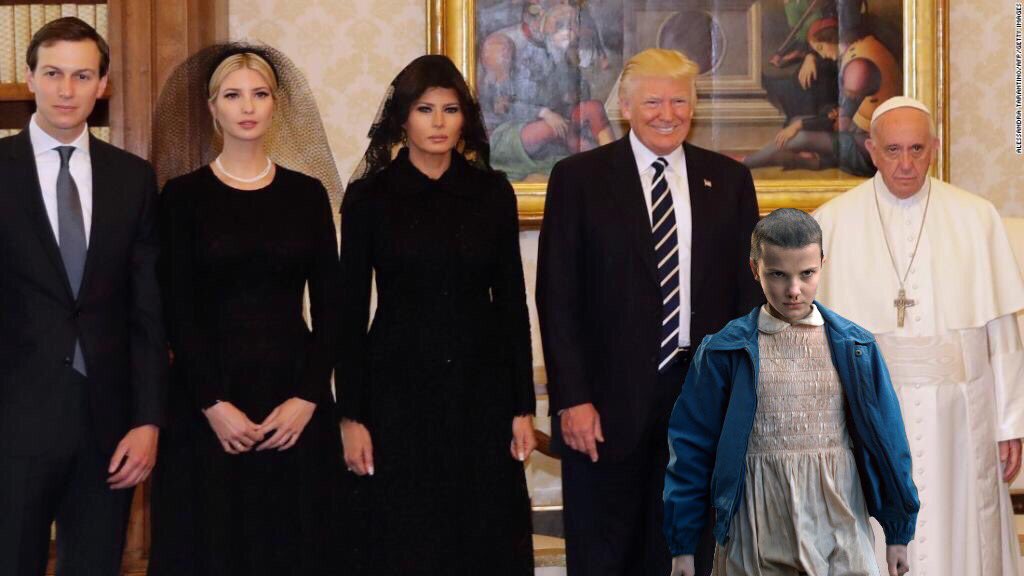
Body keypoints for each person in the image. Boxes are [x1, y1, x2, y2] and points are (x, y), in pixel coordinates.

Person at [536, 48, 762, 576]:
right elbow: (558, 296)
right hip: (603, 405)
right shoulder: (579, 179)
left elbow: (747, 299)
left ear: (694, 106)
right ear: (625, 107)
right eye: (653, 102)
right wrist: (573, 399)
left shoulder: (728, 181)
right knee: (604, 552)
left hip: (701, 397)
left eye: (679, 101)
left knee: (690, 549)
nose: (667, 113)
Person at [148, 44, 344, 576]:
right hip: (207, 404)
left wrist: (307, 397)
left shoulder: (307, 194)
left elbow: (332, 307)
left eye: (259, 94)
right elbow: (176, 310)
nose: (248, 106)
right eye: (233, 95)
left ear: (276, 104)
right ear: (213, 107)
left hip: (294, 403)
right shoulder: (182, 197)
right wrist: (213, 403)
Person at [336, 54, 536, 575]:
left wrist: (522, 406)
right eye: (425, 109)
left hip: (481, 391)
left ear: (465, 118)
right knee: (404, 538)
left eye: (450, 109)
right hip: (395, 392)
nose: (439, 122)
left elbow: (511, 304)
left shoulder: (492, 192)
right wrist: (351, 416)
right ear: (402, 118)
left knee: (483, 536)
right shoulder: (368, 198)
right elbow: (348, 314)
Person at [813, 96, 1024, 576]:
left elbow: (1003, 333)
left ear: (935, 147)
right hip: (868, 418)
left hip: (961, 419)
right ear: (871, 149)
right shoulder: (833, 222)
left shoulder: (976, 217)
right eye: (892, 150)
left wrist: (1010, 422)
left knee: (959, 535)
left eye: (916, 149)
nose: (905, 164)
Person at [663, 208, 919, 576]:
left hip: (840, 523)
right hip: (757, 525)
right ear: (755, 269)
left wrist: (898, 531)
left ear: (822, 264)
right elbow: (690, 449)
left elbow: (890, 442)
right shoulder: (724, 351)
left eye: (807, 273)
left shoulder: (856, 347)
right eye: (778, 274)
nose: (794, 290)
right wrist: (683, 547)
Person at [0, 17, 167, 575]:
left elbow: (147, 312)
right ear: (30, 78)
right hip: (13, 426)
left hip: (110, 431)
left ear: (103, 84)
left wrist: (147, 421)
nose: (66, 90)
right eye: (53, 74)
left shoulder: (133, 178)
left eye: (82, 75)